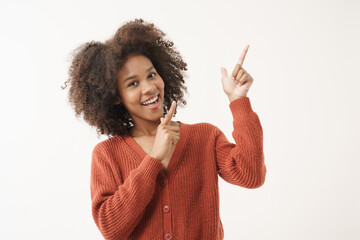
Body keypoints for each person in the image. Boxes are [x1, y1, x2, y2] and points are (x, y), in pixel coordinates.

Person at [63, 18, 267, 240]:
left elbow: (252, 176)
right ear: (115, 97)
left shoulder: (205, 137)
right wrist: (153, 159)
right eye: (133, 83)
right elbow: (111, 229)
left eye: (151, 75)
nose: (150, 87)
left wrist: (238, 101)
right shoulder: (107, 154)